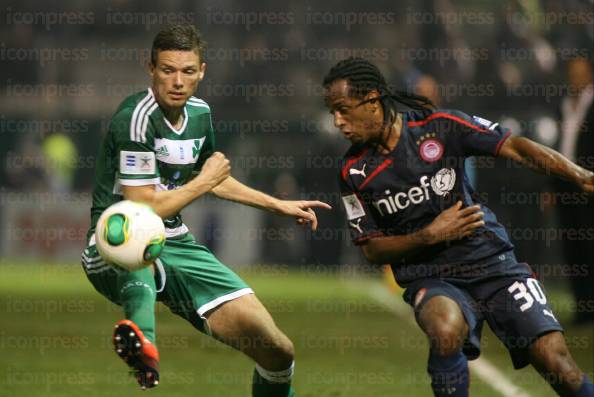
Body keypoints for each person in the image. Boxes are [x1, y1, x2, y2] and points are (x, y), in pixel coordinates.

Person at [81, 24, 330, 396]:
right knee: (140, 241)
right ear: (150, 69)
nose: (177, 81)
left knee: (277, 350)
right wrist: (205, 180)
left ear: (202, 71)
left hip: (178, 243)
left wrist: (276, 204)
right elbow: (143, 207)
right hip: (113, 243)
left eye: (187, 71)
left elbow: (214, 177)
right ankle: (143, 342)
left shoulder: (200, 114)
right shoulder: (134, 119)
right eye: (167, 70)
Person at [323, 57, 594, 397]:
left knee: (557, 363)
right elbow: (371, 249)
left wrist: (581, 175)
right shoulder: (353, 173)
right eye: (333, 112)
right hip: (432, 275)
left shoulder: (440, 125)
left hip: (493, 263)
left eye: (343, 109)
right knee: (445, 328)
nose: (337, 121)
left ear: (373, 100)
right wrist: (429, 235)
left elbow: (515, 146)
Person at [555, 56, 594, 324]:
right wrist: (550, 185)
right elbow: (558, 148)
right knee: (573, 248)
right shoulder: (565, 105)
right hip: (565, 186)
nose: (575, 78)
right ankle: (582, 308)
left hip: (590, 185)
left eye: (580, 73)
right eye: (571, 73)